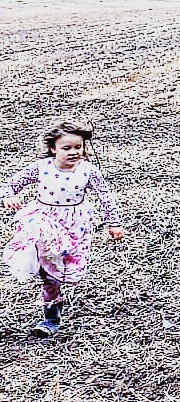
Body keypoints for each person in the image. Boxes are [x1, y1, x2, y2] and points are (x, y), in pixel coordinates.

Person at [0, 119, 124, 338]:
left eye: (78, 147)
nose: (74, 152)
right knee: (47, 273)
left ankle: (54, 300)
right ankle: (51, 318)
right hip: (44, 220)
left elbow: (106, 197)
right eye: (67, 148)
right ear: (53, 148)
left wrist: (113, 222)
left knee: (62, 271)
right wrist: (8, 197)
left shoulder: (88, 171)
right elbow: (10, 184)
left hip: (75, 225)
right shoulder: (41, 167)